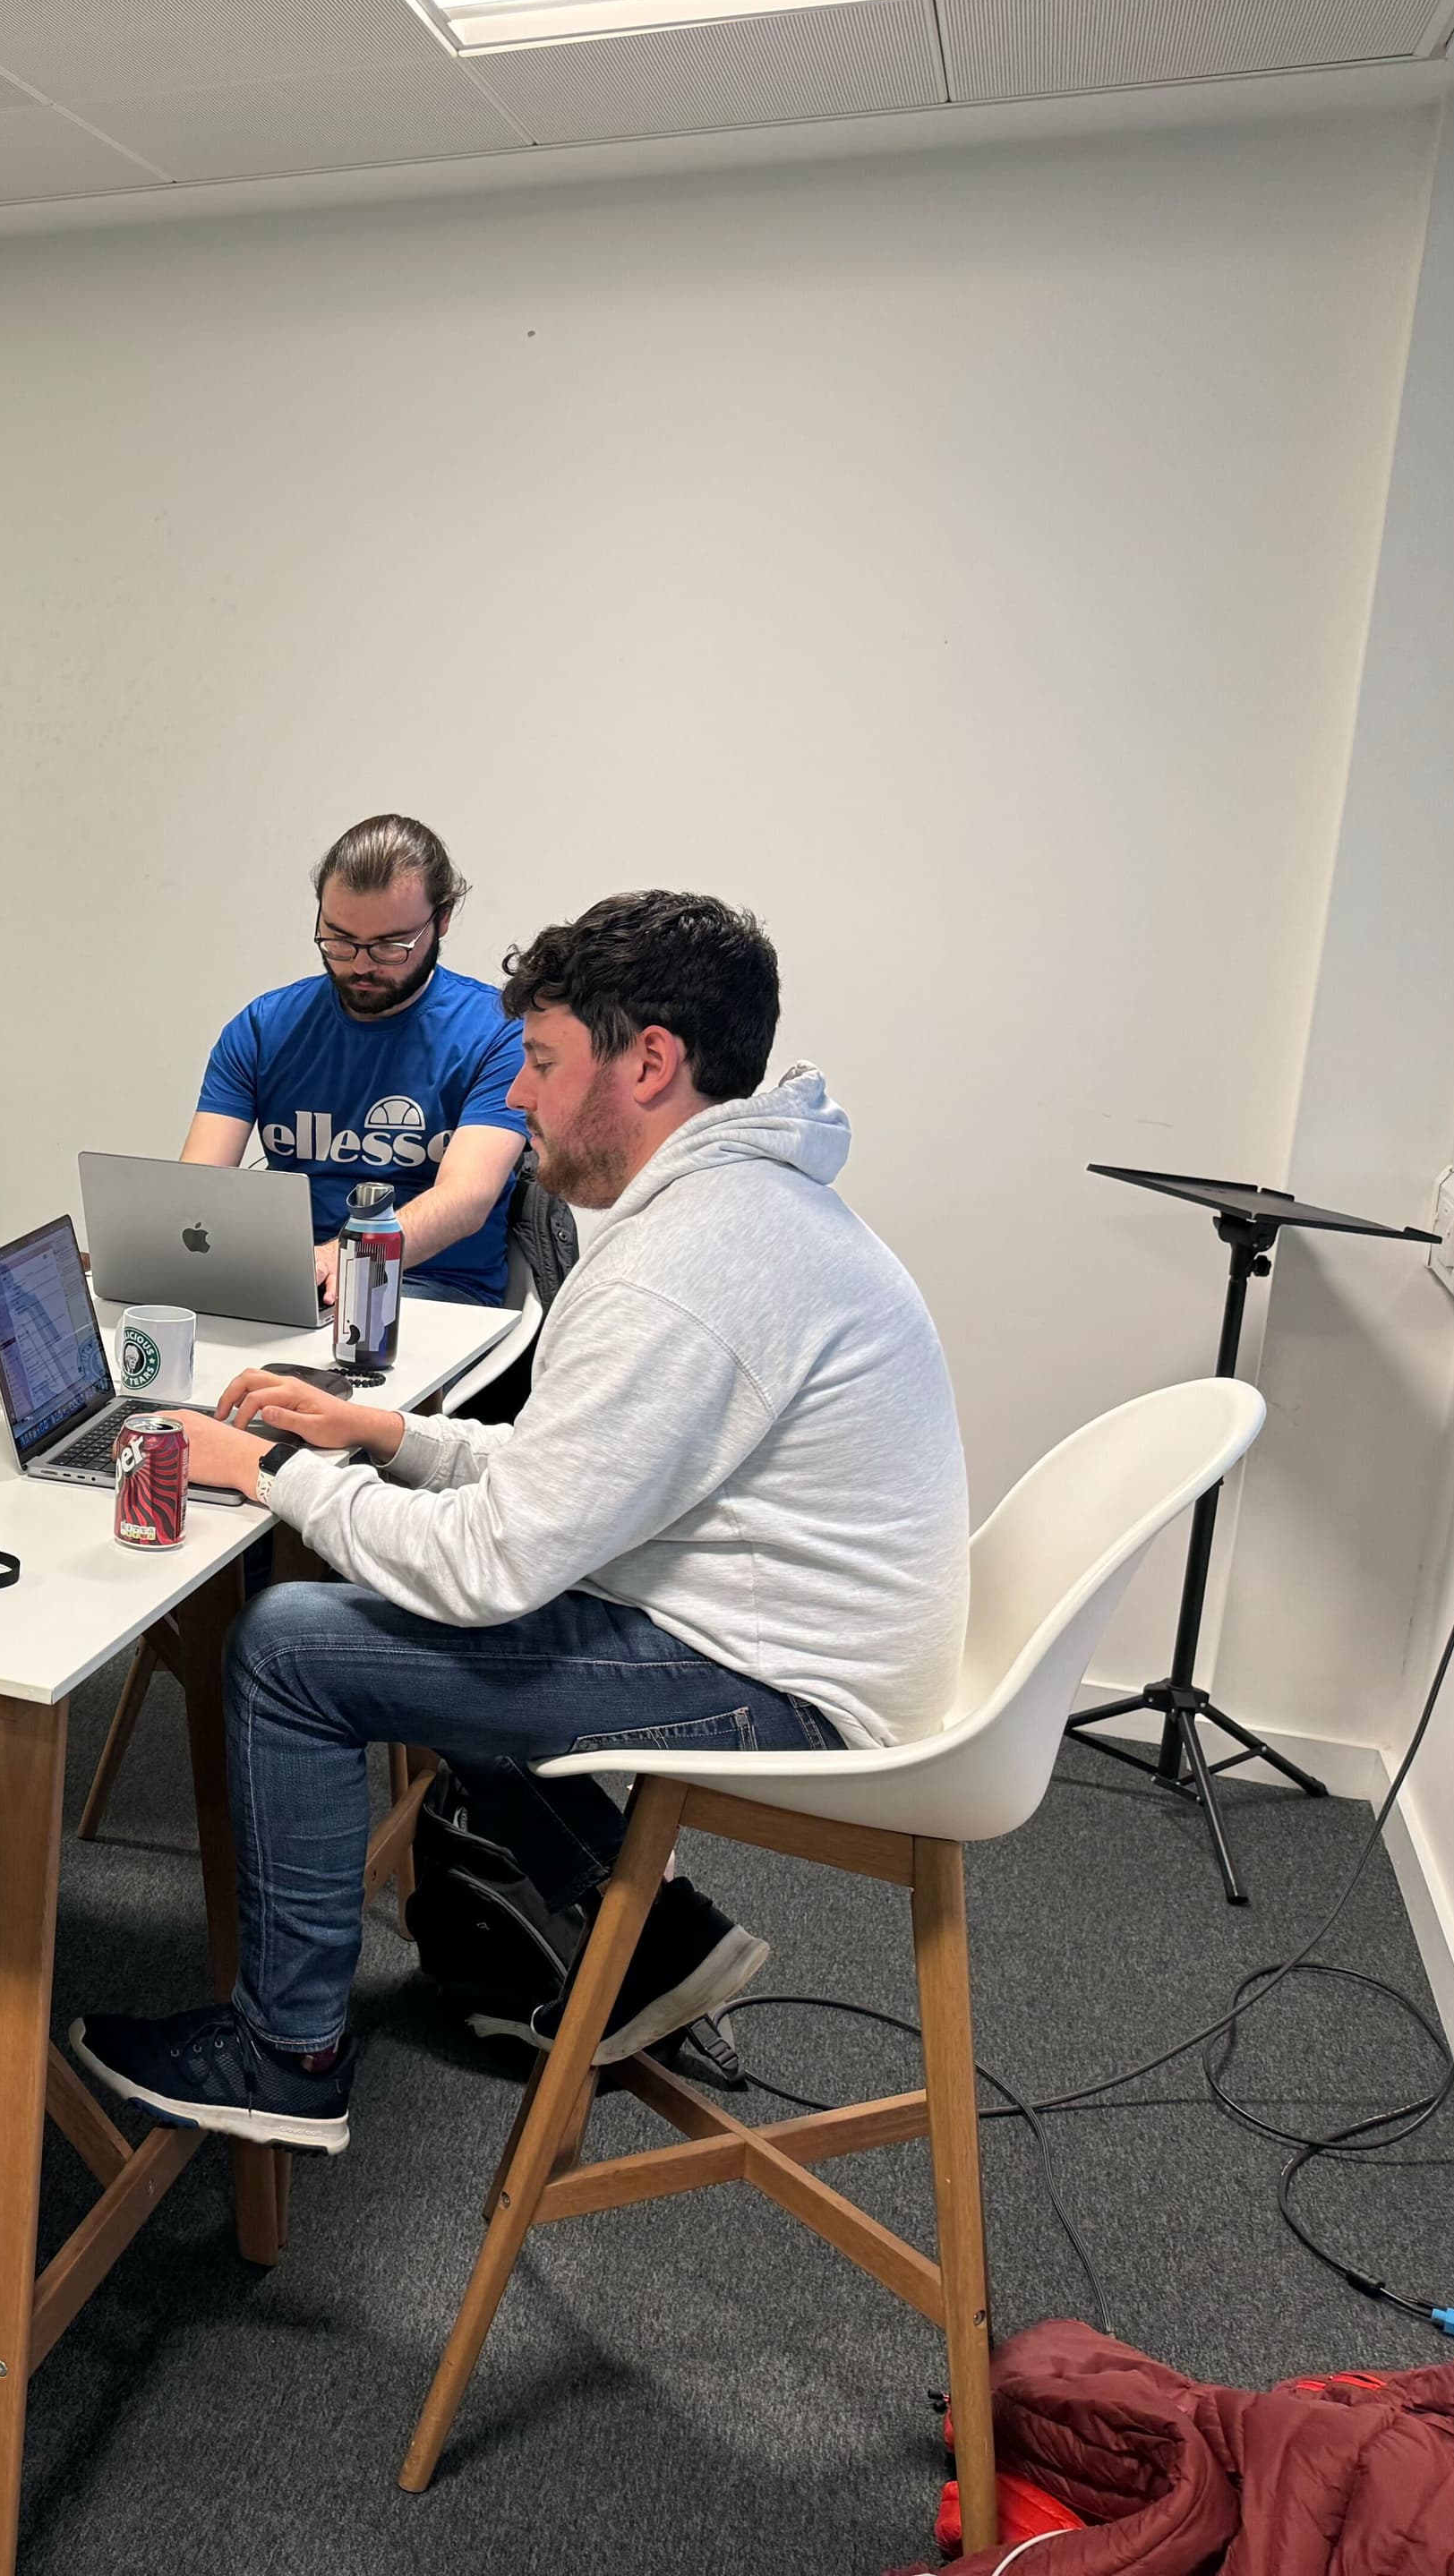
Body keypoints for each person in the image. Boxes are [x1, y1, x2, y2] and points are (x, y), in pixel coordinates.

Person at [74, 892, 969, 2152]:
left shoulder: (687, 1267)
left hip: (789, 1686)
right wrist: (389, 1436)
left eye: (544, 1065)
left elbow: (492, 1566)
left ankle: (285, 2057)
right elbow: (574, 1477)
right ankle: (654, 1937)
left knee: (293, 1650)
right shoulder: (744, 1212)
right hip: (801, 1631)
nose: (522, 1098)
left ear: (648, 1062)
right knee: (433, 1630)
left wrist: (269, 1470)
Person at [185, 814, 529, 1306]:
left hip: (429, 1291)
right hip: (293, 1285)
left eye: (391, 946)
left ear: (443, 918)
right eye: (340, 939)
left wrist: (338, 1258)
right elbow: (197, 1190)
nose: (361, 964)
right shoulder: (264, 1029)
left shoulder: (498, 1033)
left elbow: (466, 1200)